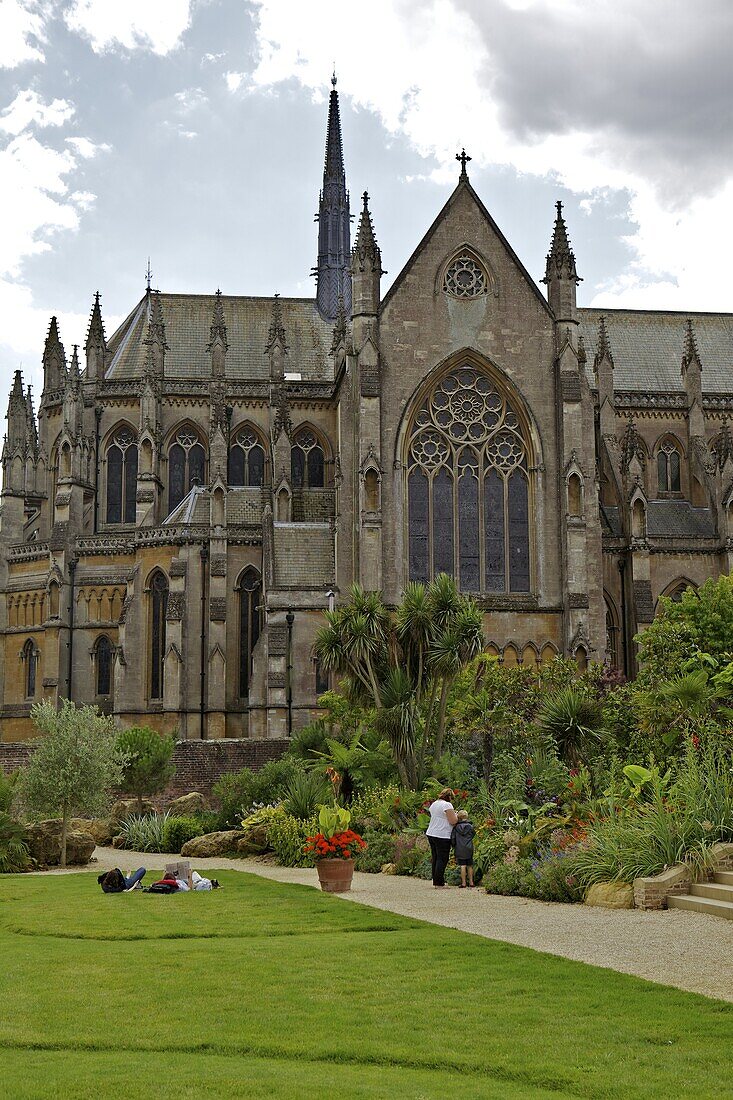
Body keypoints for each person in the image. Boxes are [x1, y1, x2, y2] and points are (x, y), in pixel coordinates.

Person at [425, 787, 458, 888]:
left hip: (431, 832)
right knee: (442, 858)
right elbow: (453, 821)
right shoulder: (447, 805)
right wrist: (456, 815)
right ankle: (439, 883)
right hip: (442, 834)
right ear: (449, 797)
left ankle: (436, 880)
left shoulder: (435, 803)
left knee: (435, 857)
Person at [451, 809, 476, 888]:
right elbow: (473, 834)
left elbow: (453, 838)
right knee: (470, 865)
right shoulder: (470, 826)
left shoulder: (456, 827)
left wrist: (454, 845)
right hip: (469, 847)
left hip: (459, 848)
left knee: (462, 865)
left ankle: (463, 883)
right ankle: (471, 882)